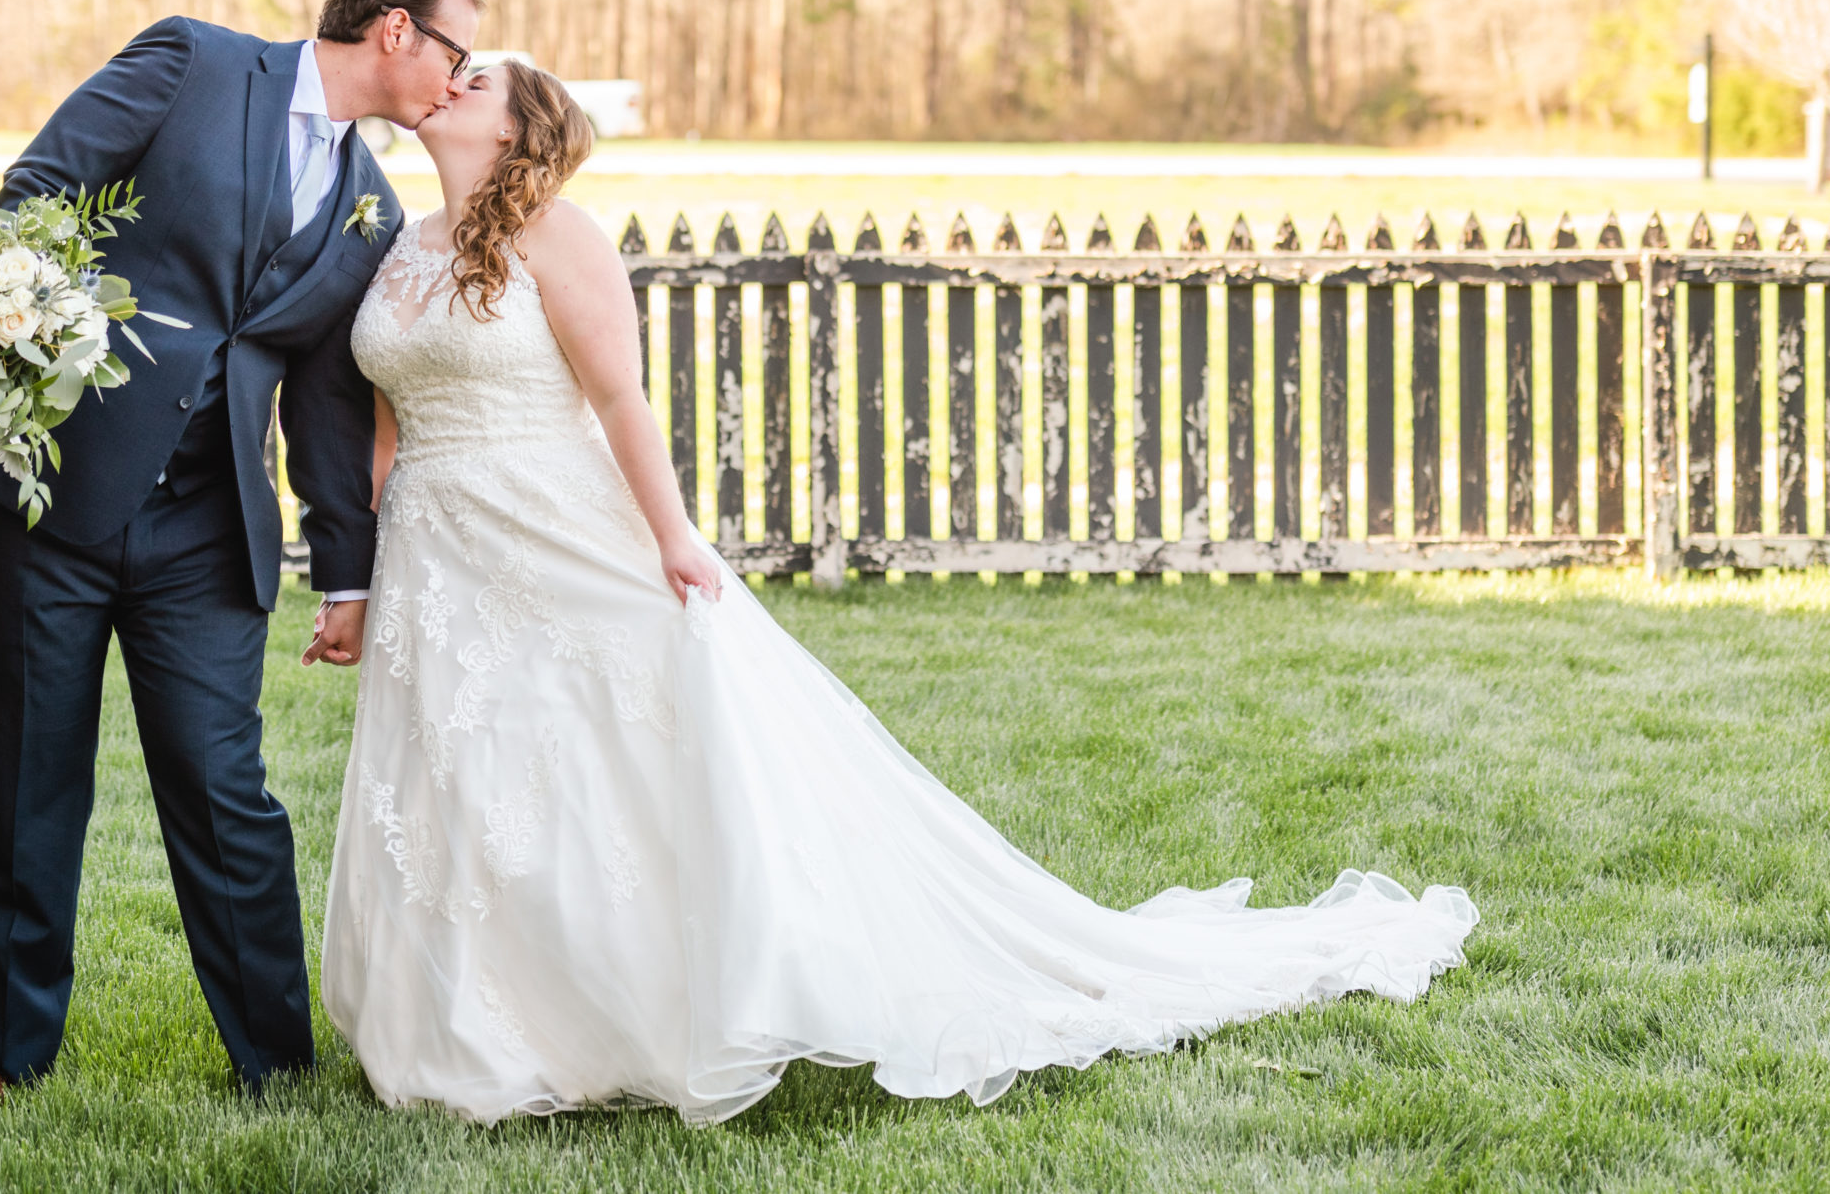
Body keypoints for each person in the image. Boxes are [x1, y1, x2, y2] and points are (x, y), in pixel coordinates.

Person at [309, 60, 1480, 1125]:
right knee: (459, 773)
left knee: (577, 761)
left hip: (557, 527)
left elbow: (620, 402)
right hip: (435, 552)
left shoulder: (562, 238)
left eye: (476, 82)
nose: (447, 86)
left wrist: (673, 538)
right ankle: (476, 1028)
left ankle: (618, 1015)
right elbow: (386, 418)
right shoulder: (403, 244)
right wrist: (358, 569)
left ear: (519, 129)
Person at [0, 0, 480, 1106]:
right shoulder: (191, 62)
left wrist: (350, 571)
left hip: (207, 535)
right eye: (453, 48)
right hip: (49, 500)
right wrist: (43, 363)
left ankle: (273, 1064)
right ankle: (13, 1056)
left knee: (228, 791)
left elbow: (331, 406)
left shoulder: (368, 213)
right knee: (32, 782)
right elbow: (34, 195)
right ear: (392, 29)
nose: (458, 74)